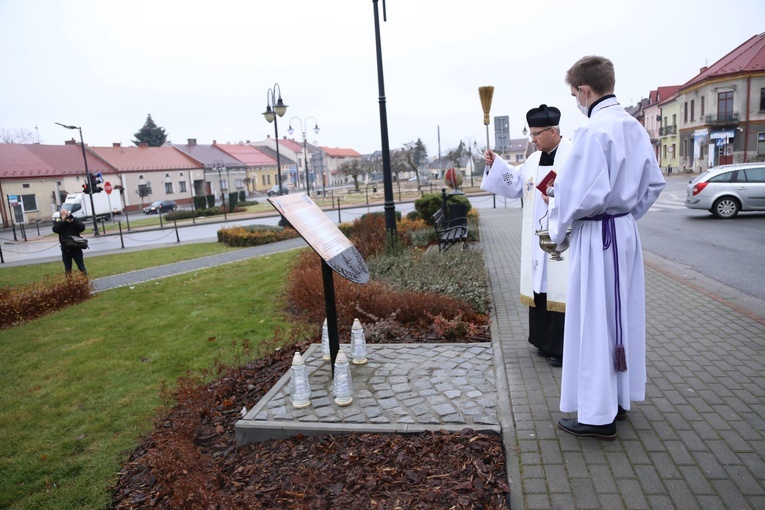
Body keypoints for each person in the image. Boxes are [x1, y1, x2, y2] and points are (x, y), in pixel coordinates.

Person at [548, 56, 666, 440]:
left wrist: (559, 231)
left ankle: (598, 417)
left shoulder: (593, 131)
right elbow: (653, 186)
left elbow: (571, 195)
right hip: (623, 234)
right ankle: (617, 400)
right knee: (622, 318)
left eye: (574, 96)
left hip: (597, 236)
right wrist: (626, 217)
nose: (576, 103)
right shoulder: (633, 127)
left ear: (585, 90)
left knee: (594, 323)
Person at [481, 105, 573, 367]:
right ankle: (543, 341)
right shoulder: (532, 160)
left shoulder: (573, 156)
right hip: (537, 237)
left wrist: (556, 197)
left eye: (536, 134)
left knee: (560, 287)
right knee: (540, 286)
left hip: (563, 239)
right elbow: (515, 185)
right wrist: (496, 163)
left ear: (553, 131)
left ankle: (562, 348)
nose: (532, 139)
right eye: (531, 133)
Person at [52, 208, 88, 275]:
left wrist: (73, 221)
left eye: (66, 214)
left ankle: (85, 280)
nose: (66, 216)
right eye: (64, 215)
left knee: (81, 266)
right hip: (66, 249)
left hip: (76, 247)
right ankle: (69, 283)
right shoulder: (60, 222)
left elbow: (82, 228)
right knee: (68, 268)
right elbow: (55, 229)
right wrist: (62, 221)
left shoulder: (74, 220)